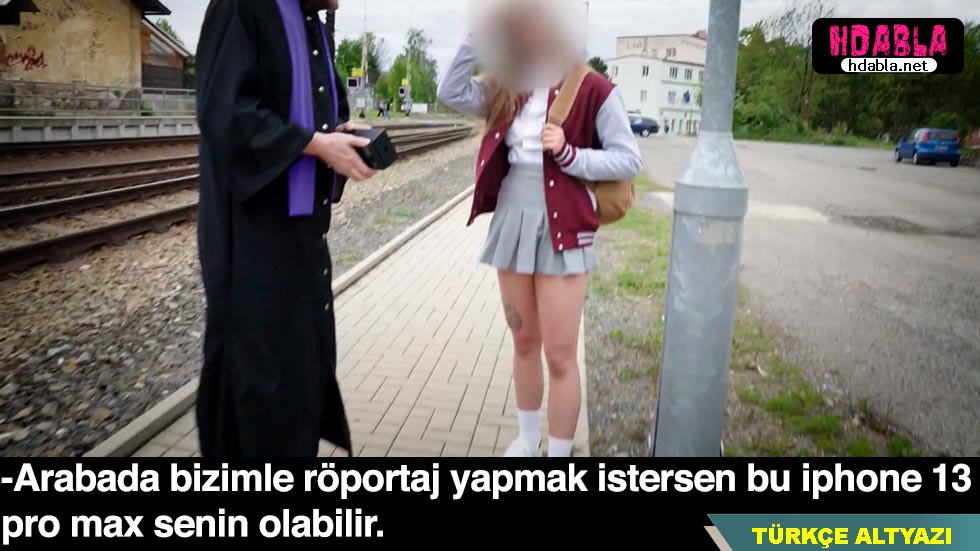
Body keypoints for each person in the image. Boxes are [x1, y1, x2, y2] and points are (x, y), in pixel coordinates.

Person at [437, 0, 642, 457]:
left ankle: (561, 452)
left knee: (560, 354)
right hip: (514, 220)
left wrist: (571, 155)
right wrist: (476, 40)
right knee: (524, 340)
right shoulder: (506, 84)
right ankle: (527, 441)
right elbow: (449, 90)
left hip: (564, 226)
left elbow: (629, 160)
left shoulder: (593, 89)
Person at [194, 0, 376, 457]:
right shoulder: (241, 7)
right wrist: (316, 144)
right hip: (251, 244)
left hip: (303, 245)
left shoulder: (310, 24)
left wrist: (339, 137)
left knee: (300, 381)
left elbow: (314, 118)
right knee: (256, 392)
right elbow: (225, 116)